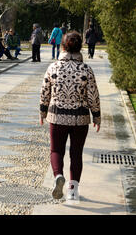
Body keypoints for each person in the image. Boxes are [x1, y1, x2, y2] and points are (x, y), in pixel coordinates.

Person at [40, 31, 101, 201]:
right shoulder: (86, 69)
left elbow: (45, 91)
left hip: (57, 116)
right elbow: (93, 95)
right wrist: (96, 116)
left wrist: (42, 111)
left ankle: (58, 175)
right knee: (76, 153)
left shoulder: (53, 67)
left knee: (56, 150)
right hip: (80, 118)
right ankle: (73, 190)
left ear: (63, 46)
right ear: (80, 46)